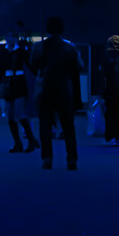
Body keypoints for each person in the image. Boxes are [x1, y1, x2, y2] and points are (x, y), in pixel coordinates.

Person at [30, 16, 83, 170]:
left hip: (45, 90)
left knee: (45, 127)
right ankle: (71, 159)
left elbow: (33, 69)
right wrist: (77, 99)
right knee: (68, 127)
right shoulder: (70, 48)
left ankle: (47, 158)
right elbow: (75, 74)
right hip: (65, 91)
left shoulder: (39, 47)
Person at [0, 31, 37, 153]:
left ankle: (31, 140)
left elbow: (31, 65)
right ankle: (17, 142)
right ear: (6, 38)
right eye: (9, 37)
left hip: (19, 83)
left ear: (16, 39)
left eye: (13, 37)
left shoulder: (21, 52)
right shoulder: (3, 52)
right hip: (8, 83)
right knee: (10, 114)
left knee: (19, 112)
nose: (11, 39)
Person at [101, 35, 119, 146]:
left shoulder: (107, 57)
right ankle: (118, 136)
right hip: (118, 89)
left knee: (110, 114)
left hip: (109, 89)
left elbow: (103, 75)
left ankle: (111, 136)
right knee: (118, 113)